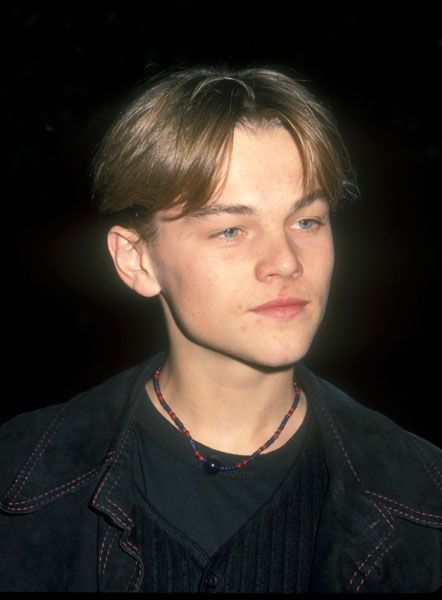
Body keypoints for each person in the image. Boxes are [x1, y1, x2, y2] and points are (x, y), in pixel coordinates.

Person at [0, 65, 440, 594]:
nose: (285, 262)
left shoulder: (424, 495)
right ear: (137, 261)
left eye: (307, 221)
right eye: (231, 229)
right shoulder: (18, 474)